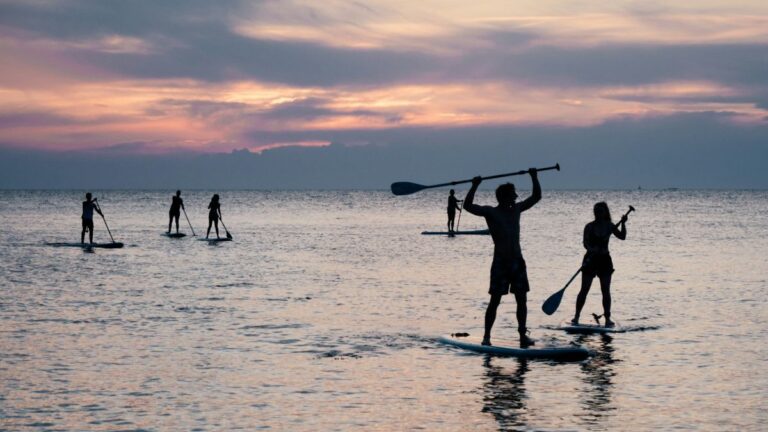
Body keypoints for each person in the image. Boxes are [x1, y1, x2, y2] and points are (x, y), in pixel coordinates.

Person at [463, 168, 541, 347]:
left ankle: (522, 336)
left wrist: (534, 177)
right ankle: (486, 337)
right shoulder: (491, 212)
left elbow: (536, 197)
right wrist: (474, 186)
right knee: (495, 300)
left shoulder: (517, 210)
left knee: (521, 299)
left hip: (517, 262)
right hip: (501, 263)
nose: (515, 198)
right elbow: (468, 206)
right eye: (513, 195)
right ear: (504, 197)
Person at [571, 202, 627, 327]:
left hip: (605, 261)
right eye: (596, 211)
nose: (597, 214)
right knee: (584, 290)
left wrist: (623, 223)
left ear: (605, 212)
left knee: (605, 291)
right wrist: (592, 249)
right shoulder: (589, 227)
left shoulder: (609, 226)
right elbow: (585, 243)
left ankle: (607, 318)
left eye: (600, 211)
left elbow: (622, 236)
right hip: (590, 260)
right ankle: (576, 317)